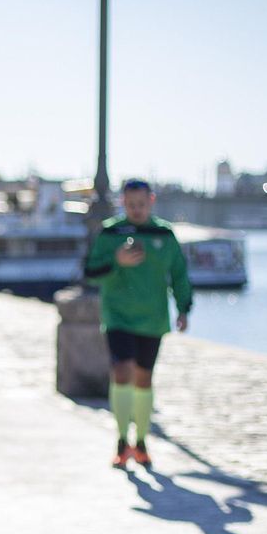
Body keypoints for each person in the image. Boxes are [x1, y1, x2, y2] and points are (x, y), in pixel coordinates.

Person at [83, 179, 191, 470]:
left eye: (141, 204)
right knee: (122, 371)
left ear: (151, 201)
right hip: (118, 317)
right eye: (131, 205)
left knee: (143, 378)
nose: (136, 209)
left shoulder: (164, 234)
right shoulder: (110, 232)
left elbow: (179, 274)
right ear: (123, 203)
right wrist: (116, 261)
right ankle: (121, 441)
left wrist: (183, 308)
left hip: (153, 319)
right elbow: (90, 271)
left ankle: (141, 442)